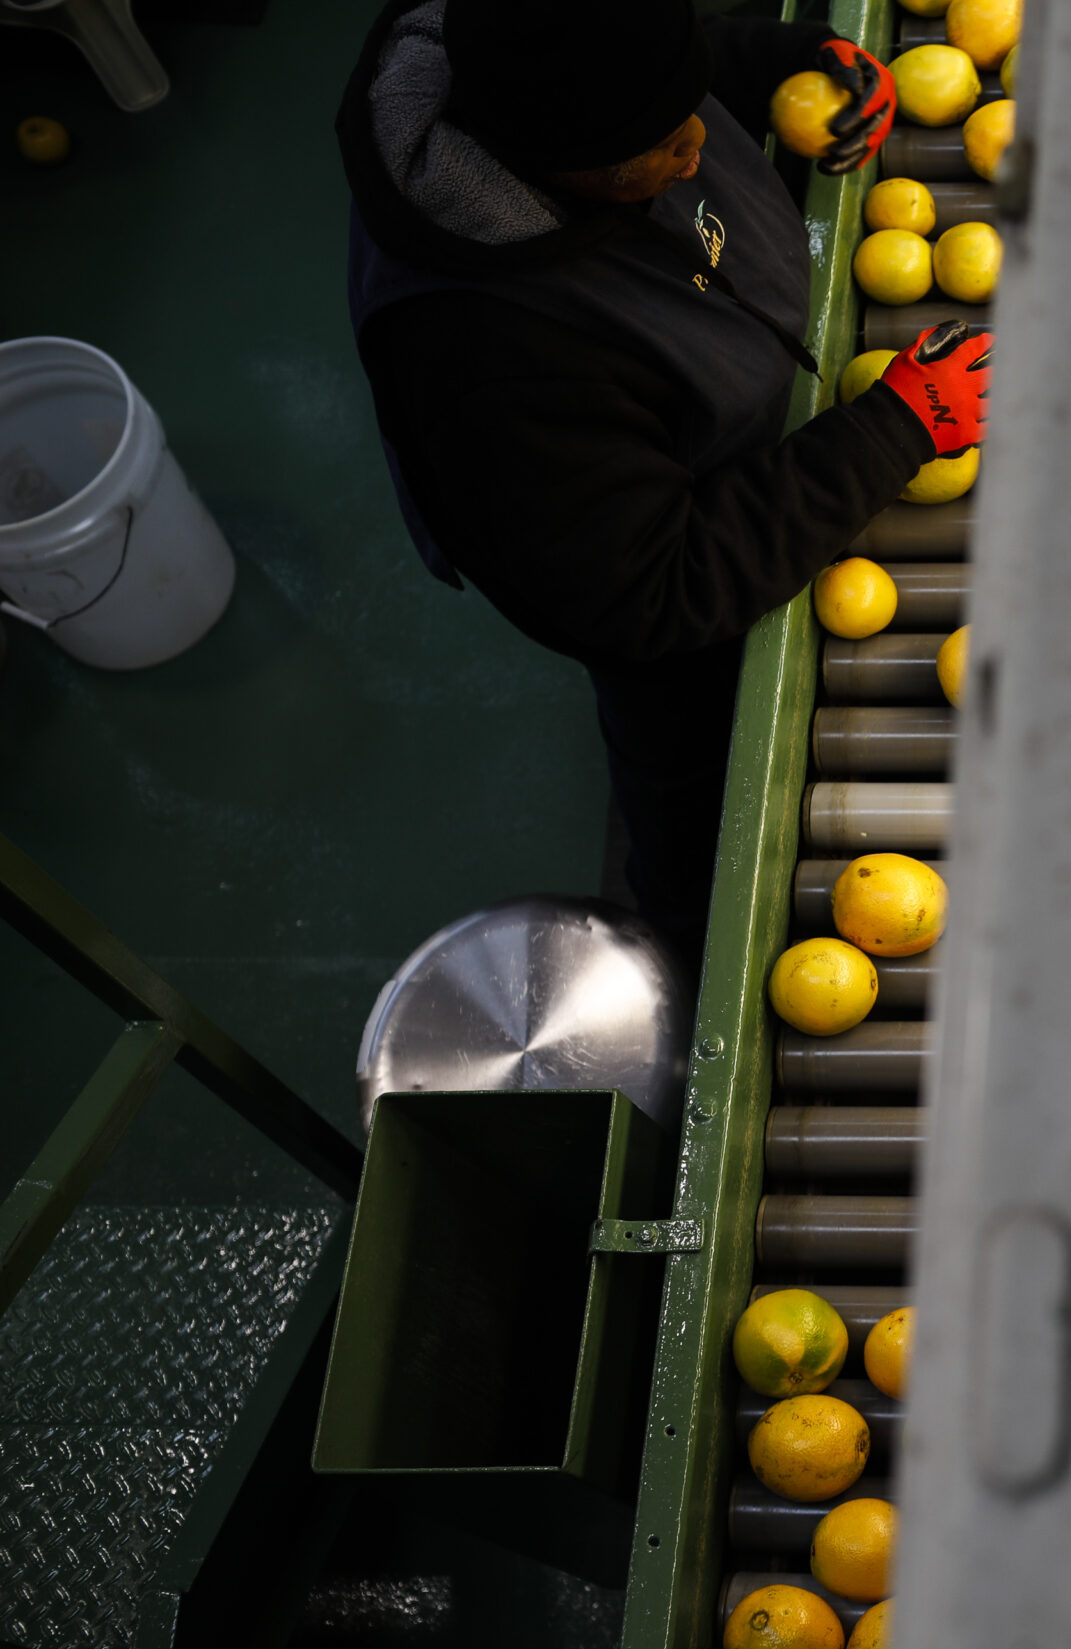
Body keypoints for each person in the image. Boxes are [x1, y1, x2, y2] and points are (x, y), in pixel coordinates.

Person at [336, 0, 990, 958]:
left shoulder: (523, 36)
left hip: (724, 404)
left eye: (694, 110)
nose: (698, 151)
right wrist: (894, 430)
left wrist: (786, 60)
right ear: (564, 167)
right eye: (666, 145)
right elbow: (649, 590)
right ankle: (681, 944)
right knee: (685, 777)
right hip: (651, 579)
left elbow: (662, 63)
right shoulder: (487, 367)